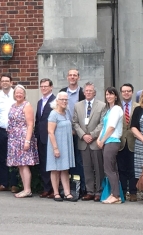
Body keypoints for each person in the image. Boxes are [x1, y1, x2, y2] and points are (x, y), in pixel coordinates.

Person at [72, 82, 106, 201]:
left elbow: (102, 123)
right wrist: (83, 135)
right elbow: (75, 122)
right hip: (83, 142)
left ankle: (99, 191)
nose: (88, 93)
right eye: (86, 91)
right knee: (86, 168)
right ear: (83, 92)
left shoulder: (102, 105)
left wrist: (91, 135)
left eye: (90, 91)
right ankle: (90, 191)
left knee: (98, 168)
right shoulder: (78, 105)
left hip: (95, 142)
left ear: (94, 92)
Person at [6, 85, 38, 198]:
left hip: (23, 137)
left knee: (24, 164)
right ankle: (25, 188)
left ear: (24, 94)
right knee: (19, 165)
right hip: (14, 139)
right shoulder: (13, 106)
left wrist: (27, 141)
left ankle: (28, 190)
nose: (18, 95)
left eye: (20, 93)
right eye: (16, 93)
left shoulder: (27, 105)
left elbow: (30, 125)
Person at [59, 69, 86, 197]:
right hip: (64, 133)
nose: (72, 77)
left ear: (78, 78)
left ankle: (80, 188)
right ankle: (65, 188)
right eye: (70, 75)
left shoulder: (83, 93)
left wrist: (78, 130)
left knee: (79, 161)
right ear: (67, 77)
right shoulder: (62, 93)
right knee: (65, 161)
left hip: (79, 133)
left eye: (75, 75)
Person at [46, 92, 78, 202]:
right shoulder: (53, 114)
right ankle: (56, 193)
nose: (64, 101)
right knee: (55, 169)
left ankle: (67, 192)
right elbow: (50, 132)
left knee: (65, 169)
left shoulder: (66, 113)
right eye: (62, 99)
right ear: (57, 101)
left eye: (66, 99)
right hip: (56, 144)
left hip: (66, 144)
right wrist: (55, 148)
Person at [96, 87, 124, 204]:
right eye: (107, 94)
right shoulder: (109, 110)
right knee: (112, 168)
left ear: (116, 96)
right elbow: (104, 126)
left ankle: (116, 195)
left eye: (111, 94)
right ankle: (115, 193)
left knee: (109, 169)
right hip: (107, 140)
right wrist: (99, 139)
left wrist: (102, 140)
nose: (108, 96)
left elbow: (111, 127)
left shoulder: (116, 109)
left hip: (112, 141)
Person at [117, 84, 139, 202]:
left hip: (133, 141)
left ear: (132, 92)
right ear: (121, 93)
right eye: (124, 91)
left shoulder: (138, 106)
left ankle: (133, 192)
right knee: (121, 169)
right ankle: (123, 191)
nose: (126, 93)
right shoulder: (116, 107)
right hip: (120, 142)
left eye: (128, 91)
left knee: (133, 168)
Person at [35, 79, 57, 198]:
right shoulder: (39, 102)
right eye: (41, 86)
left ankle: (55, 189)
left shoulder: (56, 101)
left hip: (52, 136)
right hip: (41, 138)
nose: (43, 88)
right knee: (43, 163)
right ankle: (46, 188)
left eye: (46, 86)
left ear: (51, 87)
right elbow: (38, 120)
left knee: (54, 164)